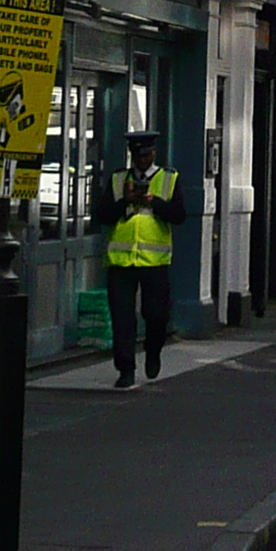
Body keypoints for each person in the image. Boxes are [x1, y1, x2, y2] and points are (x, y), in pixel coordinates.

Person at [101, 131, 183, 389]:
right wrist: (125, 201)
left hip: (154, 262)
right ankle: (125, 369)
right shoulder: (118, 180)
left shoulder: (168, 179)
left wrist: (155, 202)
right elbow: (102, 215)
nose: (142, 161)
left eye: (146, 155)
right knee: (122, 319)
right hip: (120, 262)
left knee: (157, 315)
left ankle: (153, 351)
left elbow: (179, 215)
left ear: (153, 154)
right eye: (137, 156)